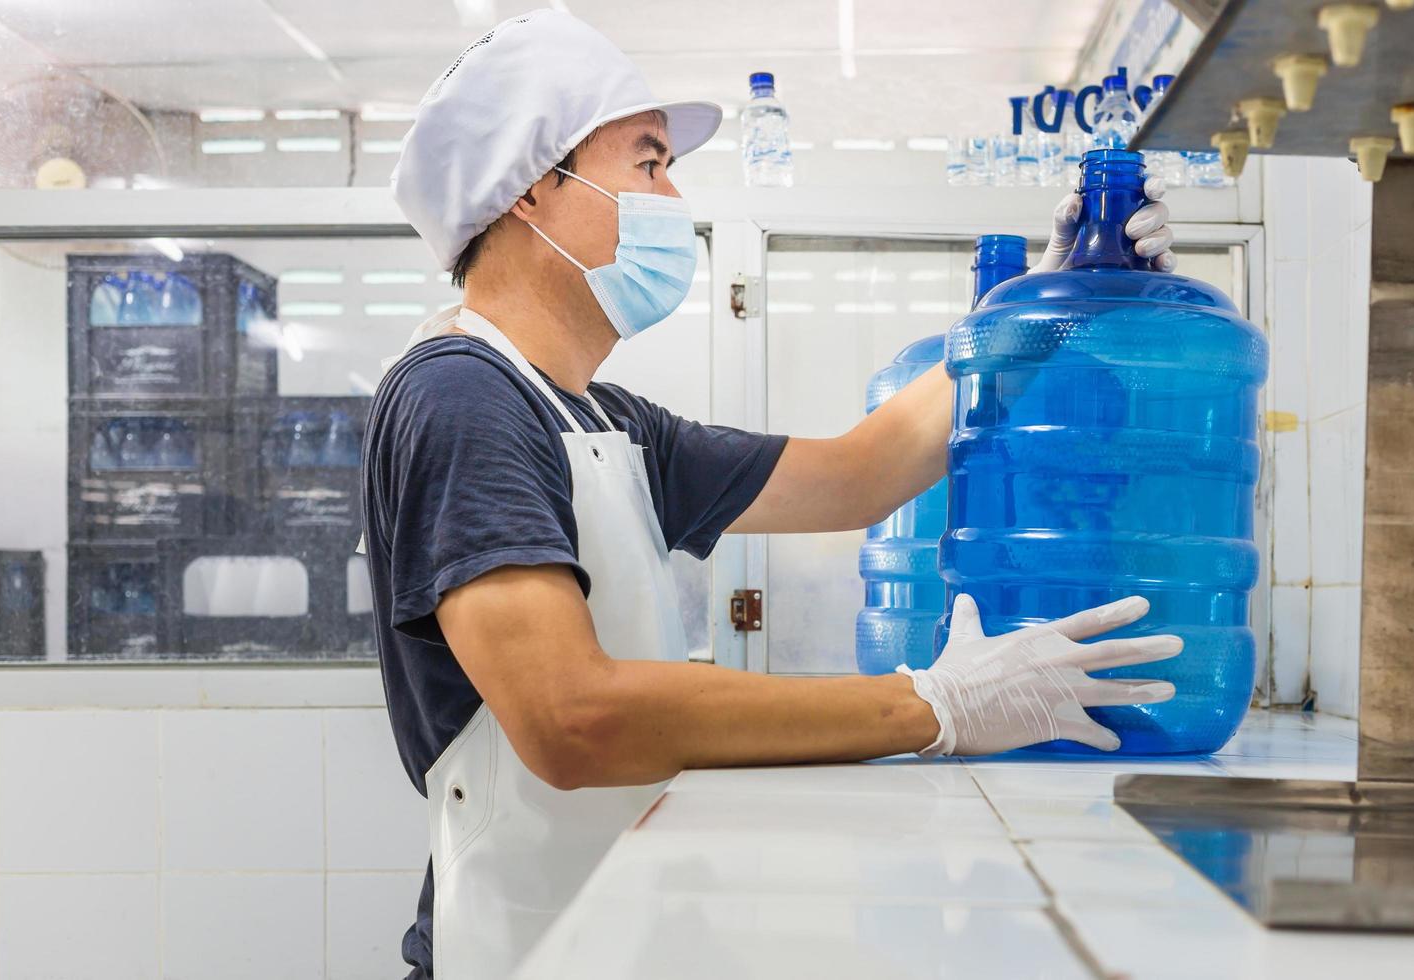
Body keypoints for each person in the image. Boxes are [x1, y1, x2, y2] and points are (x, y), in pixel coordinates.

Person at [371, 10, 1181, 978]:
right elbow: (572, 716)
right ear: (535, 190)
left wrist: (1049, 306)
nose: (675, 196)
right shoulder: (462, 395)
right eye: (648, 164)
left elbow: (859, 473)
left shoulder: (596, 416)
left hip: (606, 926)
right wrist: (932, 704)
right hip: (517, 948)